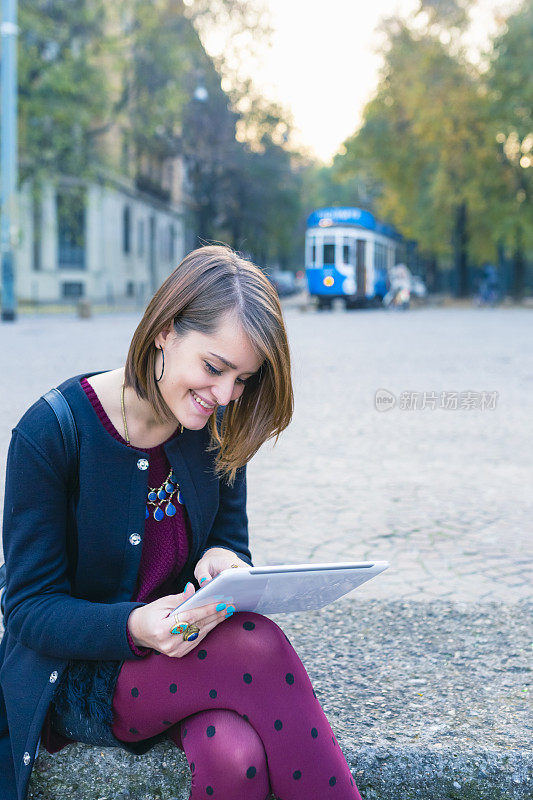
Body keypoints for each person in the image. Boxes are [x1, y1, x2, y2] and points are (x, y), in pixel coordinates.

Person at [0, 245, 363, 800]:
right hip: (80, 674)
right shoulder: (51, 432)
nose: (224, 396)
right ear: (165, 331)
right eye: (214, 368)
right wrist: (136, 627)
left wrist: (223, 562)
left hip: (185, 659)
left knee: (234, 754)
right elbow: (27, 609)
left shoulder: (216, 428)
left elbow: (227, 540)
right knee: (258, 647)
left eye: (243, 379)